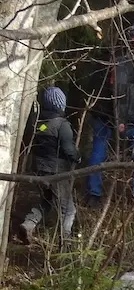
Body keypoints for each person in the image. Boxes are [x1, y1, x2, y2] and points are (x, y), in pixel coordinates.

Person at [84, 22, 134, 206]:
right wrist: (120, 120)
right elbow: (119, 91)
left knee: (99, 151)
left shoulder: (119, 55)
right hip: (116, 116)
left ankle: (94, 194)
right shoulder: (123, 58)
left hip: (105, 113)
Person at [19, 86, 77, 242]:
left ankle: (28, 224)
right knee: (68, 210)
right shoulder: (62, 125)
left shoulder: (40, 123)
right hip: (57, 172)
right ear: (60, 104)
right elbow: (68, 149)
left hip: (39, 170)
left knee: (46, 202)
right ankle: (65, 240)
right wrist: (78, 157)